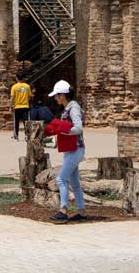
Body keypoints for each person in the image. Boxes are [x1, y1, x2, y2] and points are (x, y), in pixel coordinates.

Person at [44, 80, 85, 222]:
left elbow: (78, 128)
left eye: (57, 95)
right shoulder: (68, 108)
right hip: (71, 148)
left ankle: (63, 210)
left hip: (76, 149)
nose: (55, 98)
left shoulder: (73, 108)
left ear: (62, 95)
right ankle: (81, 211)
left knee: (61, 179)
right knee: (75, 183)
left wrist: (63, 129)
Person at [10, 75, 32, 140]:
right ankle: (27, 135)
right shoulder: (27, 86)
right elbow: (30, 96)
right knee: (26, 122)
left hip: (17, 107)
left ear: (17, 78)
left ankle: (16, 135)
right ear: (23, 78)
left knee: (16, 122)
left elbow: (12, 98)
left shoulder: (14, 87)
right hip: (25, 106)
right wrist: (26, 100)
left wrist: (10, 106)